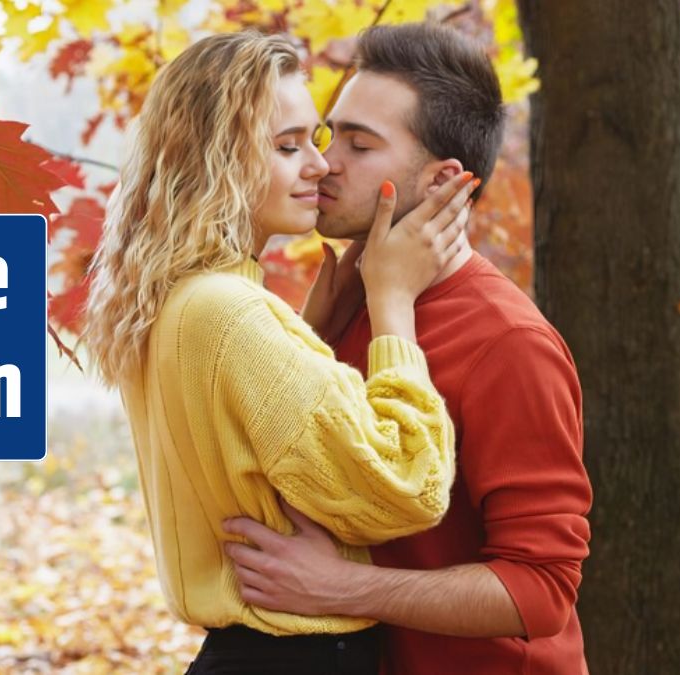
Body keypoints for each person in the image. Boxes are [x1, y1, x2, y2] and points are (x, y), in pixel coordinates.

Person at [82, 31, 480, 675]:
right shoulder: (232, 313)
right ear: (216, 160)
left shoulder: (182, 297)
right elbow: (408, 484)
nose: (319, 166)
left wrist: (308, 334)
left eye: (315, 142)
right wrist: (393, 301)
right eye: (287, 147)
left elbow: (253, 451)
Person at [222, 23, 593, 675]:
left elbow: (542, 591)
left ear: (445, 180)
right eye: (330, 134)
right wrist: (313, 335)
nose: (323, 162)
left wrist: (340, 585)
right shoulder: (350, 299)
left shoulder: (509, 343)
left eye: (360, 146)